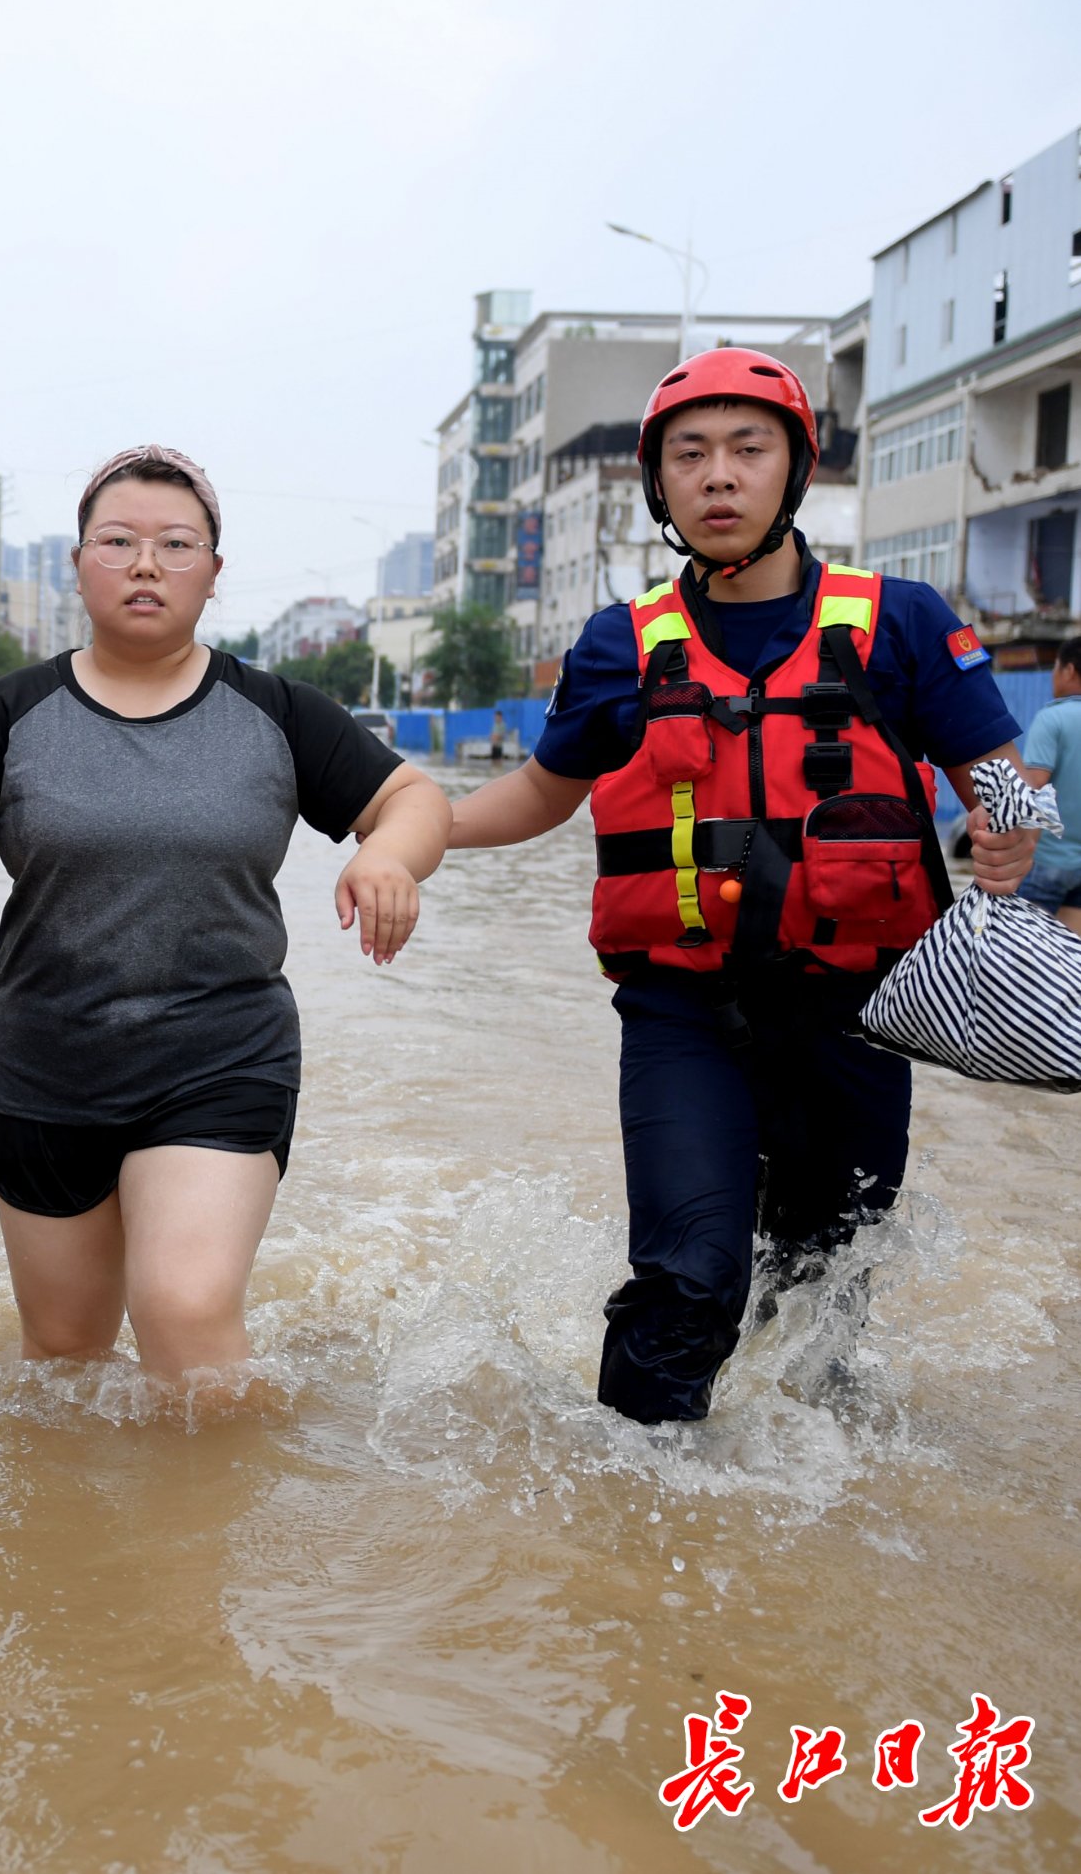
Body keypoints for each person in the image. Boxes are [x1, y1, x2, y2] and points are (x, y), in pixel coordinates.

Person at [446, 350, 1038, 1424]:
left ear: (793, 469)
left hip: (859, 1015)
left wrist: (1009, 828)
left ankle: (800, 1536)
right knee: (684, 1288)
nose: (717, 475)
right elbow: (539, 795)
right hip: (683, 1013)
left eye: (745, 449)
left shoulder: (896, 622)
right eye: (690, 455)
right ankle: (626, 1541)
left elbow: (991, 777)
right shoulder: (617, 646)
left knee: (820, 1299)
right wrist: (411, 834)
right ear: (660, 487)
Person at [0, 445, 451, 1386]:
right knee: (63, 1362)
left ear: (213, 572)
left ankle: (214, 1534)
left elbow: (413, 795)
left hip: (219, 1057)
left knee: (186, 1313)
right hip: (45, 1066)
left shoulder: (275, 710)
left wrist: (386, 852)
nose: (144, 564)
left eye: (176, 544)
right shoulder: (11, 711)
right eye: (116, 540)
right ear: (77, 563)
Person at [1016, 636, 1081, 934]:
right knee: (1072, 962)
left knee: (1025, 960)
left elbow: (1034, 786)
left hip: (1048, 863)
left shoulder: (1052, 718)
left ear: (1069, 670)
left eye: (1055, 667)